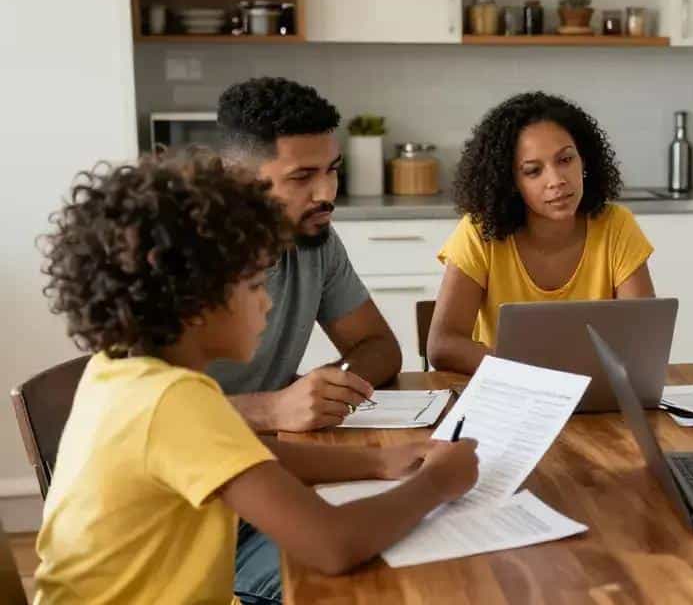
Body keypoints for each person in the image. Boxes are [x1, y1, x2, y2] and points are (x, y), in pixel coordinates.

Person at [34, 157, 478, 605]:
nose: (268, 302)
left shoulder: (122, 376)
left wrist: (380, 462)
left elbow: (253, 455)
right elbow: (332, 544)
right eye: (253, 285)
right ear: (194, 301)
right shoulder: (172, 401)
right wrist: (437, 483)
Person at [209, 76, 406, 604]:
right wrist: (271, 409)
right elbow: (153, 419)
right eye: (302, 177)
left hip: (270, 479)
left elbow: (381, 346)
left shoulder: (312, 237)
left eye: (332, 171)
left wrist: (333, 385)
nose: (326, 194)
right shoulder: (184, 267)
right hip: (201, 531)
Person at [429, 92, 656, 374]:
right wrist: (531, 373)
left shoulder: (617, 225)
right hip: (510, 391)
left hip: (598, 396)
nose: (557, 180)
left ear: (584, 160)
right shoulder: (479, 232)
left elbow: (644, 342)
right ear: (510, 182)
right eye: (534, 171)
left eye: (565, 160)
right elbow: (442, 345)